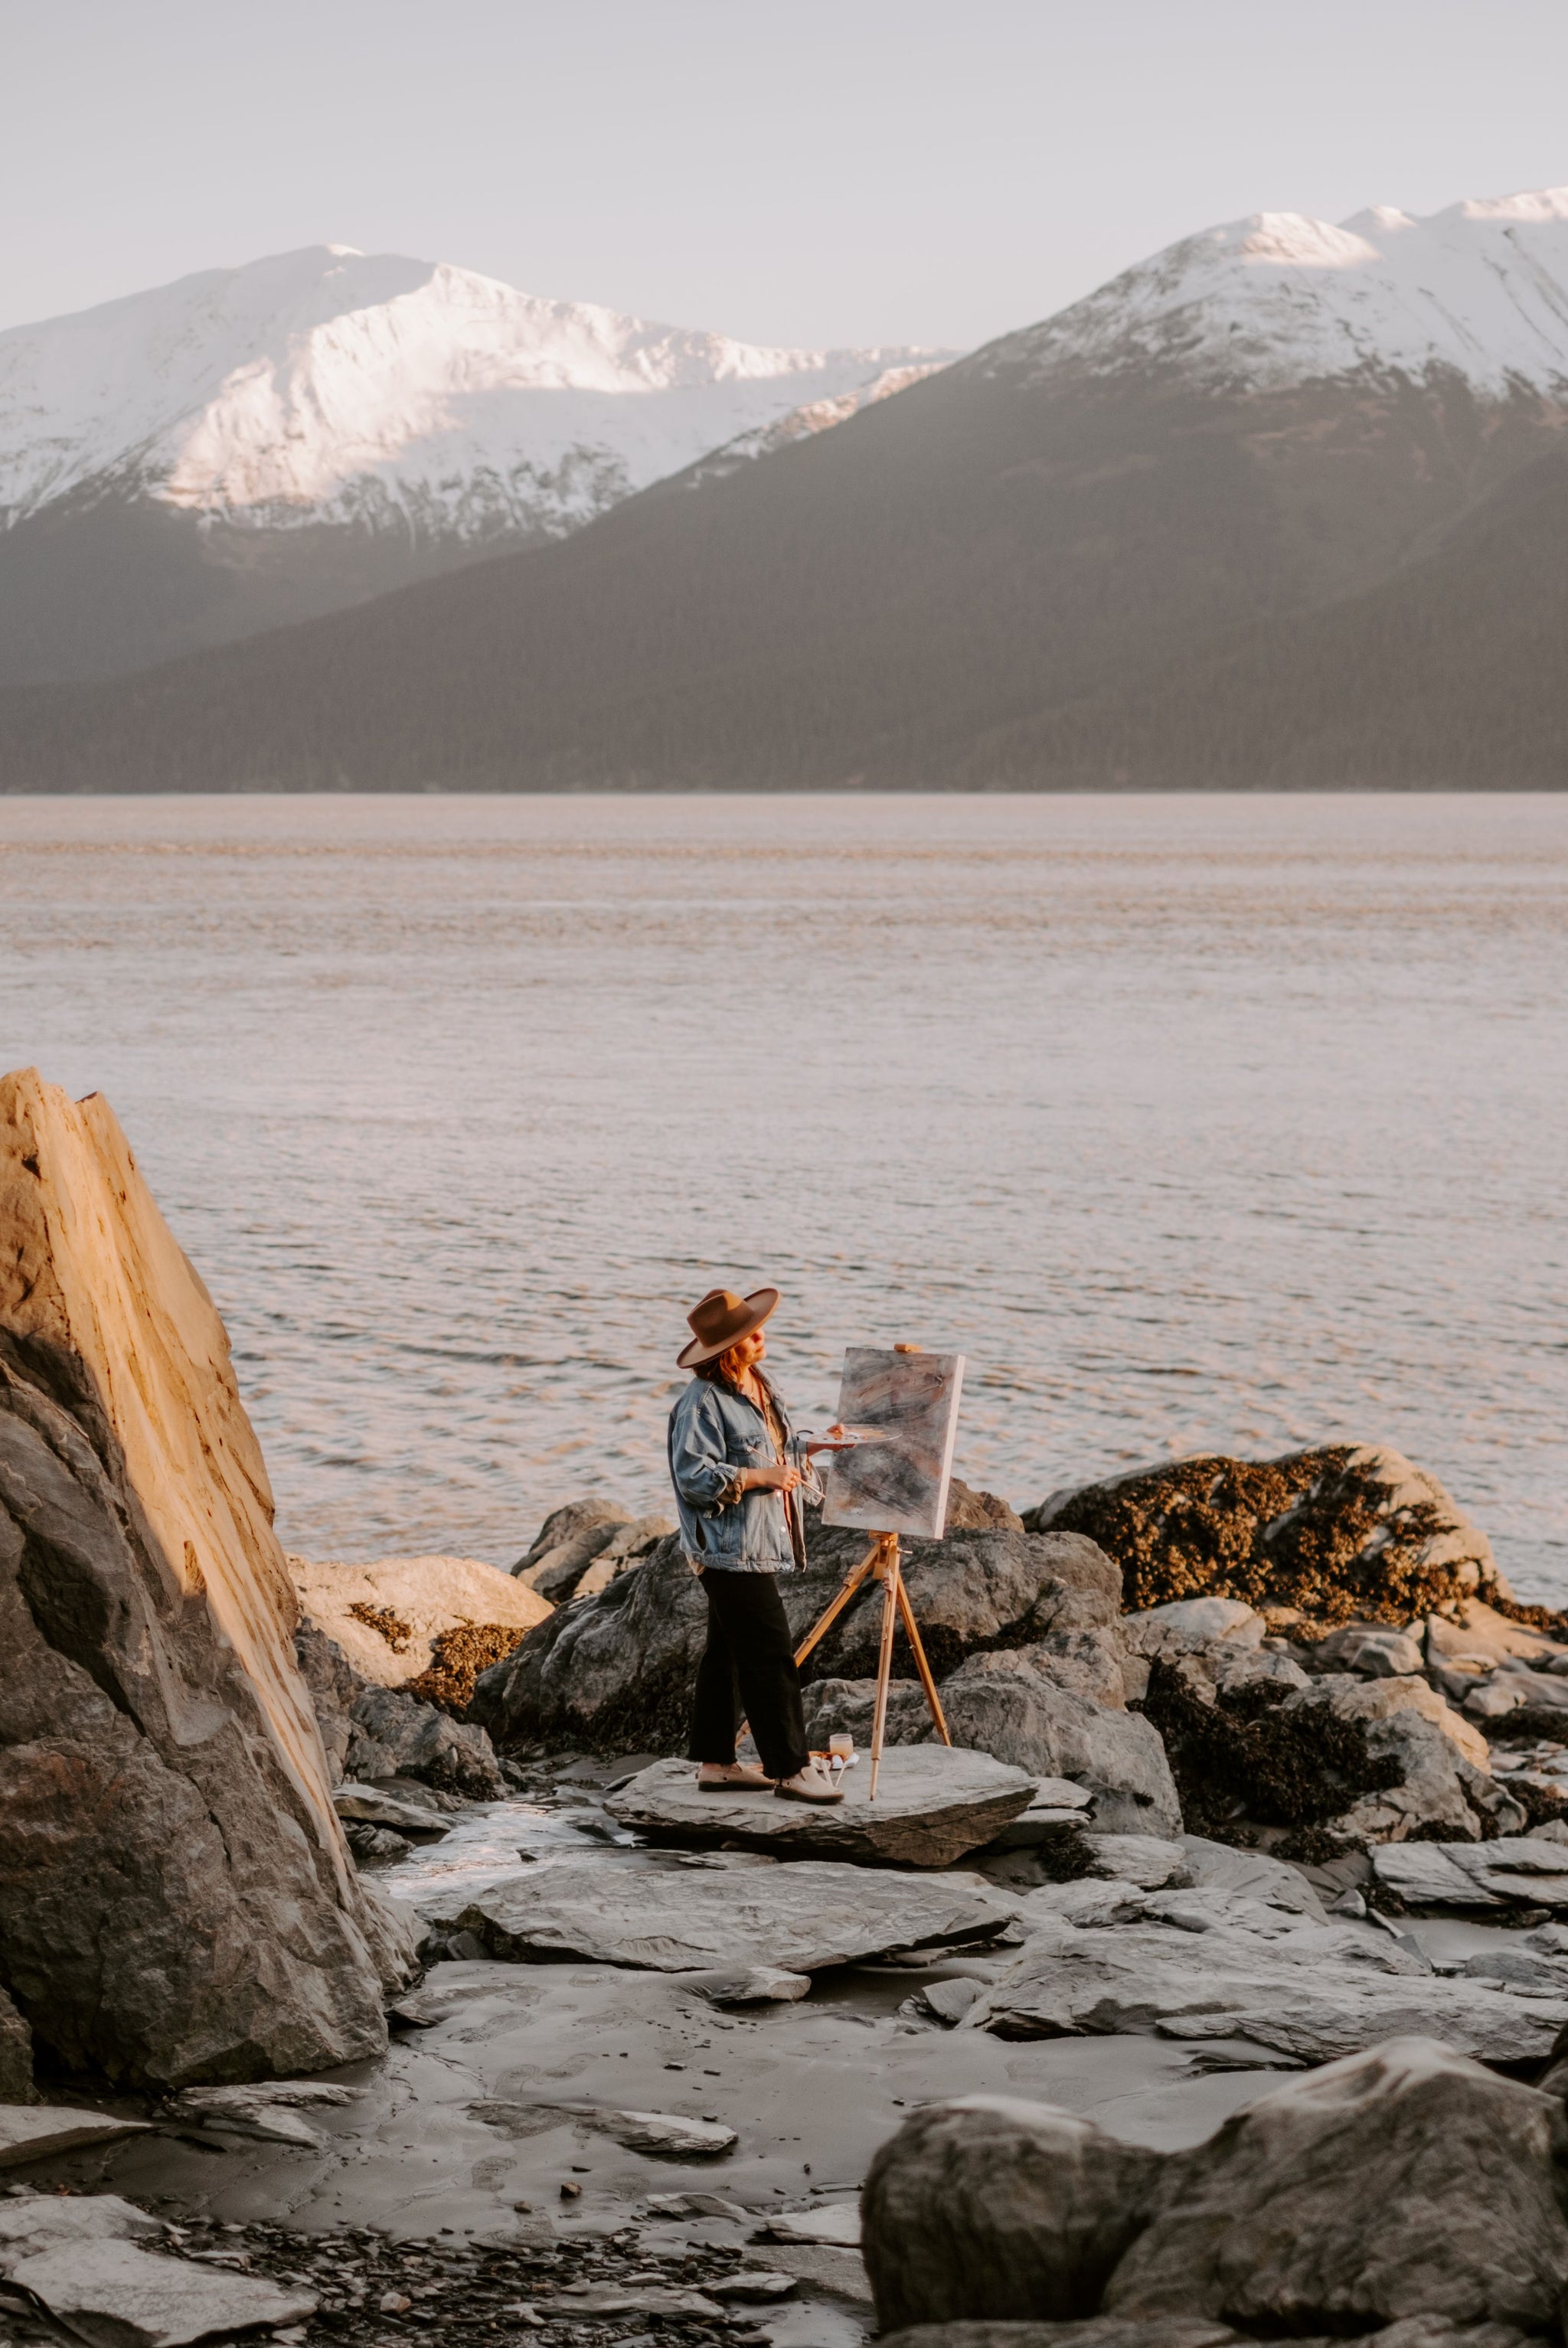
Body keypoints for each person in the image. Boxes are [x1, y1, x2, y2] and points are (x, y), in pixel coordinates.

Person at [668, 1285, 844, 1804]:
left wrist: (815, 1443)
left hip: (752, 1543)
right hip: (727, 1549)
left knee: (724, 1654)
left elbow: (776, 1445)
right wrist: (758, 1477)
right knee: (770, 1653)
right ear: (725, 1350)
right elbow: (693, 1477)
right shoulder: (701, 1402)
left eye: (755, 1326)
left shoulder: (757, 1383)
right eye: (747, 1333)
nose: (758, 1333)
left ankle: (717, 1763)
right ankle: (789, 1769)